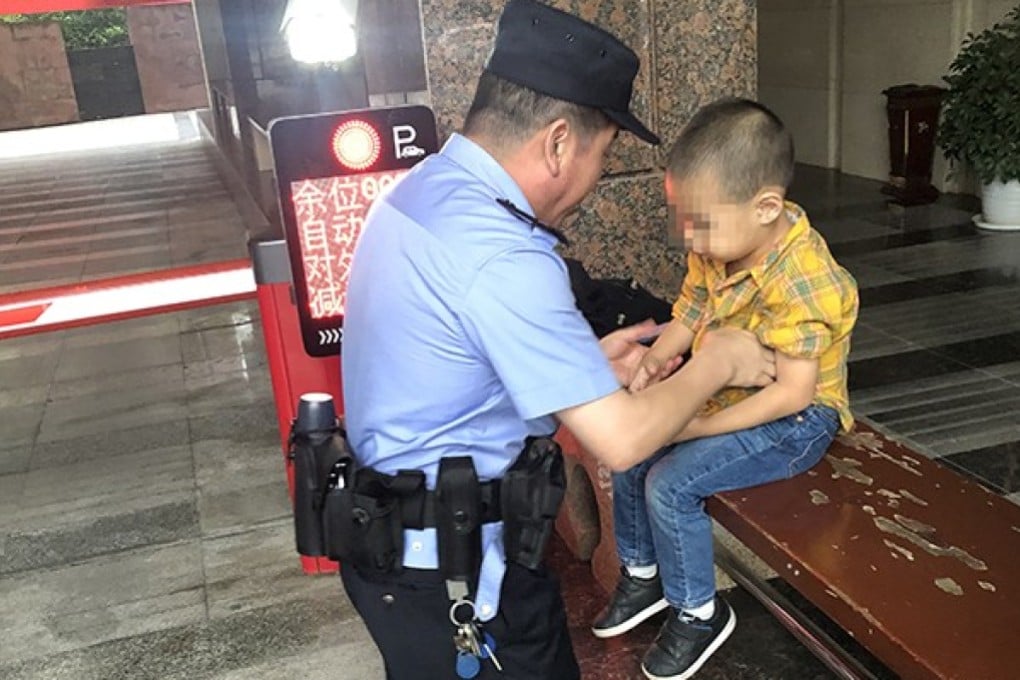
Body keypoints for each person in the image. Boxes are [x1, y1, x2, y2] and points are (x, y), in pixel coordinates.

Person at [339, 2, 776, 678]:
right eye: (605, 154)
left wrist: (584, 368)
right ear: (559, 143)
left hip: (395, 553)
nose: (597, 179)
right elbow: (623, 441)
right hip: (459, 579)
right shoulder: (503, 251)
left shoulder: (421, 194)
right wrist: (718, 362)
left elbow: (449, 369)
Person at [590, 97, 859, 680]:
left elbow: (793, 395)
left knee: (669, 485)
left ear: (766, 207)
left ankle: (699, 613)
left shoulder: (804, 278)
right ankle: (643, 575)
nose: (690, 239)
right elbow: (689, 313)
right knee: (634, 446)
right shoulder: (720, 250)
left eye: (701, 224)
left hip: (795, 423)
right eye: (682, 221)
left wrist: (699, 426)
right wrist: (652, 362)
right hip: (732, 396)